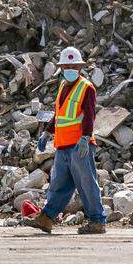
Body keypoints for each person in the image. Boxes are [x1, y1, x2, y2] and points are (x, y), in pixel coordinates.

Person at [24, 46, 106, 234]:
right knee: (59, 183)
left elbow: (90, 116)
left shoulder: (86, 88)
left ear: (79, 67)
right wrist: (47, 132)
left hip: (80, 145)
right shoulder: (62, 86)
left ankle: (97, 221)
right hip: (62, 145)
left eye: (73, 66)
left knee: (86, 182)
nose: (70, 69)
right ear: (62, 67)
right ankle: (47, 218)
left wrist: (85, 138)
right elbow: (59, 114)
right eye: (66, 66)